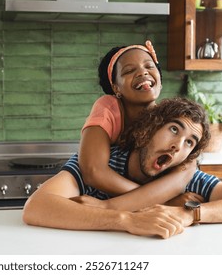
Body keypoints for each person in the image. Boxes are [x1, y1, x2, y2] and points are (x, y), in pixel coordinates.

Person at [23, 98, 222, 239]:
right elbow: (37, 207)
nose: (177, 145)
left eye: (189, 142)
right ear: (149, 129)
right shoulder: (105, 161)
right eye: (174, 129)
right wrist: (126, 220)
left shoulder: (179, 176)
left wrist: (188, 213)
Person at [78, 40, 198, 209]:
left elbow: (184, 173)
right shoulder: (108, 107)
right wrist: (160, 199)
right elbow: (93, 172)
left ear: (160, 82)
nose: (143, 72)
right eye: (129, 70)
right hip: (99, 205)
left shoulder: (169, 120)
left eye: (149, 66)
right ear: (116, 88)